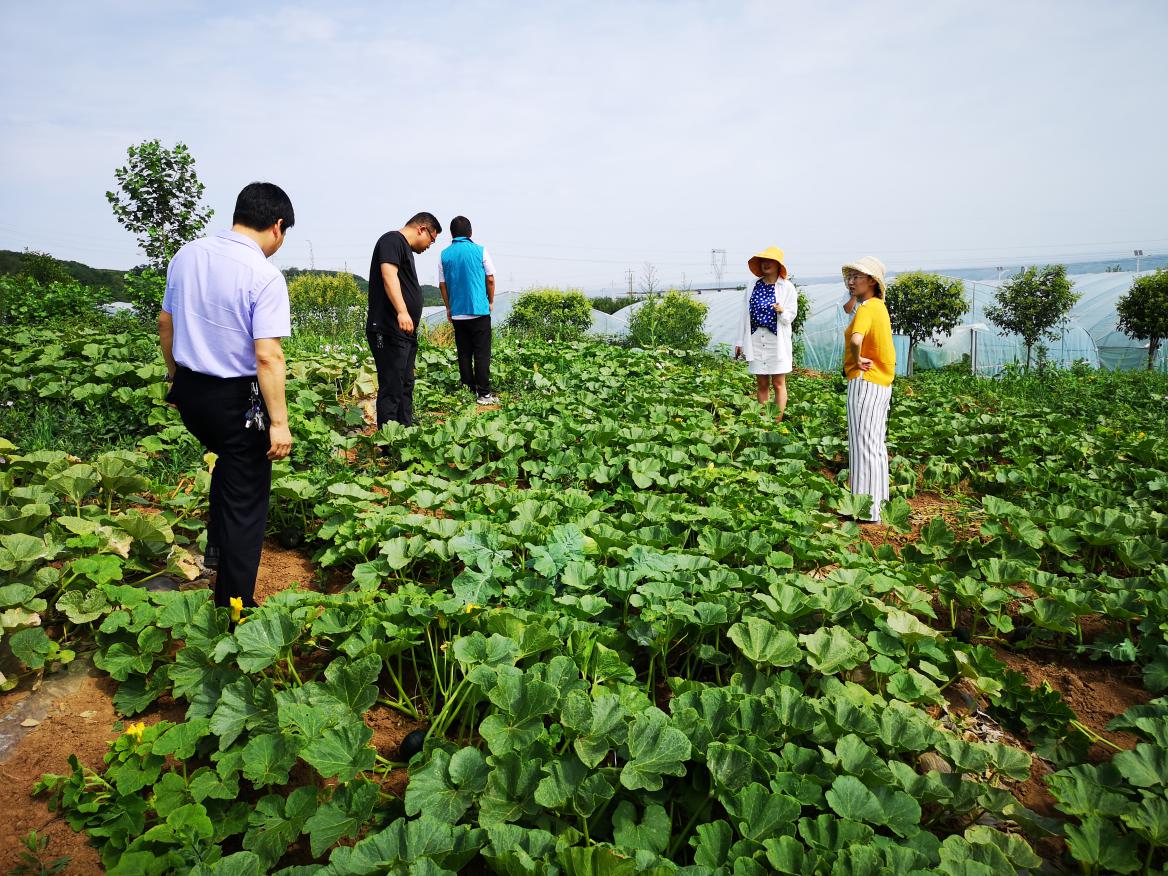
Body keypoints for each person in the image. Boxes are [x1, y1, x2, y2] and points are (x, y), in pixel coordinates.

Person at [159, 182, 295, 608]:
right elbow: (269, 356)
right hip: (234, 399)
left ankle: (215, 551)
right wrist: (279, 423)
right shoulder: (264, 275)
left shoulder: (187, 254)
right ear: (277, 226)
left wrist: (174, 379)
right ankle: (234, 605)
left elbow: (166, 324)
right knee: (247, 497)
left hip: (191, 391)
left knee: (228, 466)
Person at [366, 212, 442, 427]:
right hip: (388, 328)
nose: (430, 245)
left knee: (405, 383)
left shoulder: (403, 248)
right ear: (422, 229)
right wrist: (402, 310)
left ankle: (405, 431)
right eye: (431, 239)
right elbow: (388, 274)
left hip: (403, 332)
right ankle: (389, 441)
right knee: (392, 384)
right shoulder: (391, 240)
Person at [841, 256, 896, 523]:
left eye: (857, 277)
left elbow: (856, 338)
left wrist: (857, 355)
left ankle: (863, 510)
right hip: (882, 383)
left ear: (872, 281)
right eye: (849, 277)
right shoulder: (880, 308)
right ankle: (877, 508)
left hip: (864, 381)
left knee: (861, 444)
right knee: (874, 445)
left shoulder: (866, 309)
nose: (851, 282)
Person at [438, 216, 498, 404]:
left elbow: (442, 284)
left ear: (452, 234)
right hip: (479, 310)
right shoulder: (480, 251)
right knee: (481, 353)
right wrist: (490, 301)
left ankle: (468, 390)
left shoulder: (444, 254)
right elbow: (490, 279)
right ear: (470, 232)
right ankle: (484, 394)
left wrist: (449, 308)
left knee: (464, 352)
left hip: (457, 312)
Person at [735, 246, 798, 418]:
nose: (766, 264)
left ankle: (776, 421)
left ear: (778, 265)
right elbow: (744, 314)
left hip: (776, 339)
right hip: (755, 337)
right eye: (763, 261)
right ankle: (764, 421)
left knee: (778, 383)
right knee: (761, 383)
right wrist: (739, 342)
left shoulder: (787, 287)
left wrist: (781, 311)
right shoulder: (752, 285)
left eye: (770, 261)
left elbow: (791, 316)